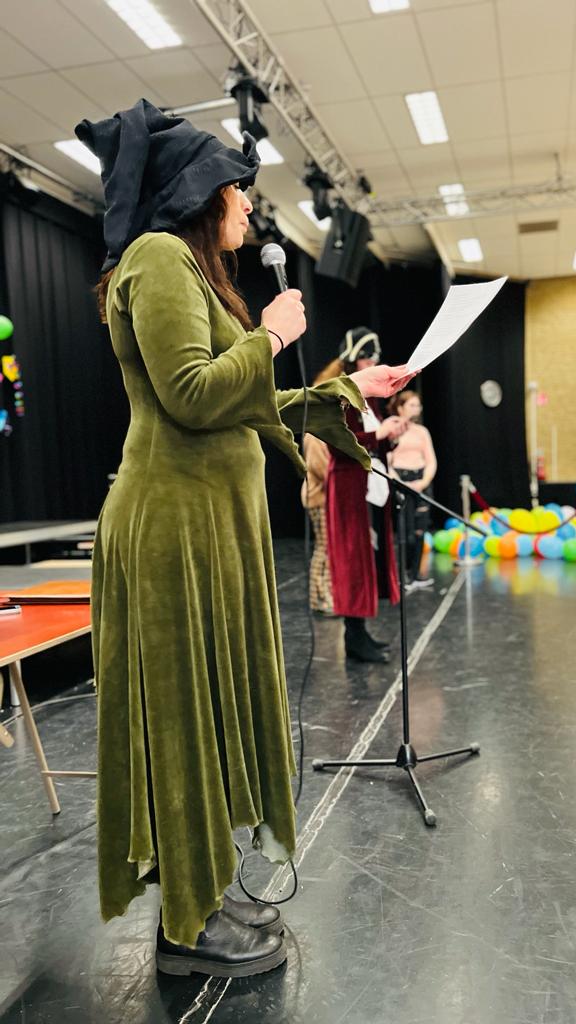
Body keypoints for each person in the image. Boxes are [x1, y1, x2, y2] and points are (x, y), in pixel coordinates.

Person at [76, 99, 415, 978]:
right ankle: (186, 930)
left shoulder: (193, 273)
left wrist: (352, 390)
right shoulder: (157, 258)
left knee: (211, 718)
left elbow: (244, 401)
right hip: (172, 535)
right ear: (200, 192)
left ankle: (209, 883)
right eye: (240, 189)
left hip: (209, 534)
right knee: (186, 722)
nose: (251, 204)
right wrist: (270, 334)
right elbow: (193, 394)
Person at [322, 328, 408, 663]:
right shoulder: (337, 394)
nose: (372, 363)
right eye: (366, 358)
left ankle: (360, 634)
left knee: (370, 556)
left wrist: (390, 436)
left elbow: (373, 440)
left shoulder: (369, 399)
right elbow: (339, 443)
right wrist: (378, 435)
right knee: (353, 559)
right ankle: (354, 636)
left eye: (374, 358)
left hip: (370, 487)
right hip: (348, 488)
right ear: (352, 359)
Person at [388, 390, 437, 590]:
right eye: (412, 405)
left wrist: (423, 482)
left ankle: (415, 575)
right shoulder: (391, 429)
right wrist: (399, 482)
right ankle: (402, 576)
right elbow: (387, 461)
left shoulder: (422, 432)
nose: (416, 409)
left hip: (420, 483)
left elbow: (431, 461)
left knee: (419, 531)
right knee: (405, 533)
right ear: (400, 408)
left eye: (418, 405)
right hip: (401, 481)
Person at [300, 427, 334, 615]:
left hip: (327, 497)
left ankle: (326, 595)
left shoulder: (326, 432)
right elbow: (321, 468)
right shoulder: (314, 435)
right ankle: (320, 598)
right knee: (324, 546)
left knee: (328, 547)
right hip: (319, 497)